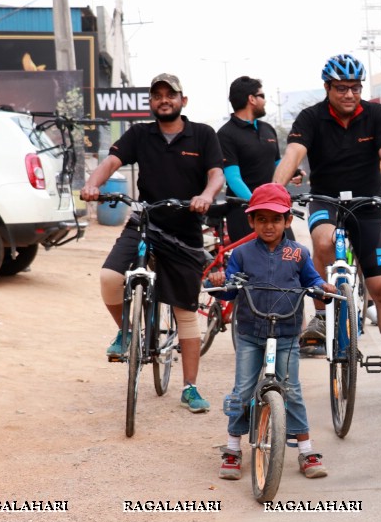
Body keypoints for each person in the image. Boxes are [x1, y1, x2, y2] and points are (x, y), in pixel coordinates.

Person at [272, 53, 381, 401]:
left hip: (368, 205)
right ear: (327, 88)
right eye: (341, 88)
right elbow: (292, 154)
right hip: (327, 201)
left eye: (355, 87)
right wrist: (274, 193)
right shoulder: (310, 117)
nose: (349, 94)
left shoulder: (376, 114)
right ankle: (322, 314)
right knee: (322, 241)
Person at [80, 73, 225, 414]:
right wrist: (92, 184)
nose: (164, 100)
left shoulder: (203, 134)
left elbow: (216, 173)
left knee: (185, 313)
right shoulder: (141, 134)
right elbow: (111, 162)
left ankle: (190, 388)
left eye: (170, 95)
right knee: (110, 278)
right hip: (145, 222)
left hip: (186, 231)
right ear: (150, 103)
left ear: (182, 101)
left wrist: (206, 196)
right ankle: (128, 332)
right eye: (157, 95)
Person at [210, 183, 336, 480]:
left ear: (288, 221)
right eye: (262, 219)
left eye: (276, 219)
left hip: (287, 334)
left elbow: (314, 281)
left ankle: (306, 450)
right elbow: (229, 290)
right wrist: (216, 283)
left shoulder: (298, 253)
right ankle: (232, 448)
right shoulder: (241, 254)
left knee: (291, 390)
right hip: (250, 333)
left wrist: (324, 289)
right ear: (251, 221)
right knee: (242, 390)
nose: (269, 225)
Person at [217, 76, 287, 242]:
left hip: (275, 208)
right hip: (244, 212)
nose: (265, 101)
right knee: (253, 267)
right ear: (252, 99)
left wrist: (294, 172)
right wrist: (258, 204)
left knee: (290, 260)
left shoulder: (268, 129)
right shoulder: (225, 134)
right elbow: (233, 178)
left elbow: (277, 164)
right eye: (262, 96)